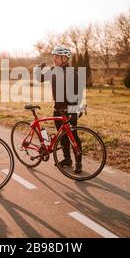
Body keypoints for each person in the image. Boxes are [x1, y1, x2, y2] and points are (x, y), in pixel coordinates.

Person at [34, 46, 83, 174]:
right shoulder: (53, 71)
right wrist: (39, 68)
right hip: (58, 108)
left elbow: (80, 91)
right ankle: (67, 159)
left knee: (74, 136)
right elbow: (40, 79)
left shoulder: (73, 72)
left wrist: (80, 106)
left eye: (56, 56)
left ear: (64, 58)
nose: (54, 59)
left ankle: (78, 162)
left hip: (70, 108)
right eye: (54, 56)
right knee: (62, 136)